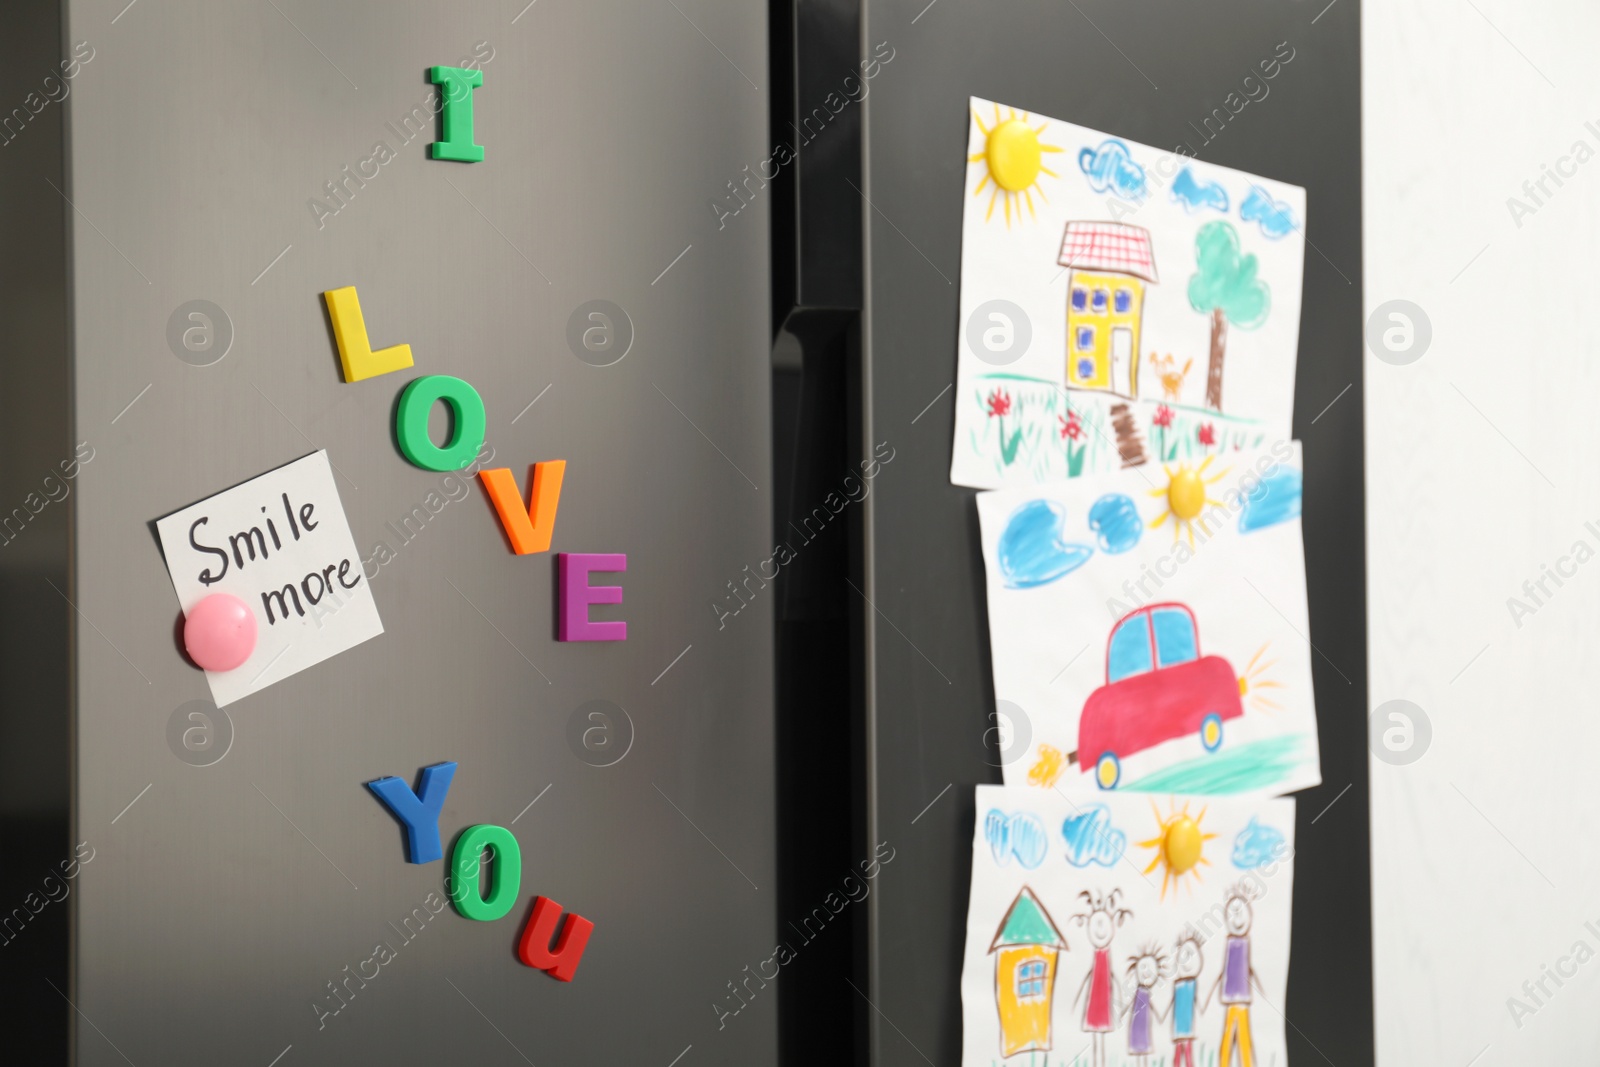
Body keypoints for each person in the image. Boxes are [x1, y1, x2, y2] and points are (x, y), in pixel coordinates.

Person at [1206, 884, 1265, 1067]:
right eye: (1233, 913)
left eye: (1240, 912)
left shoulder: (1244, 943)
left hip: (1242, 999)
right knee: (1228, 1033)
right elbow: (1224, 971)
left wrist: (1262, 991)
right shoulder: (1230, 943)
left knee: (1243, 1035)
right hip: (1231, 999)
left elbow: (1250, 969)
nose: (1237, 919)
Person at [1071, 889, 1131, 1067]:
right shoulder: (1097, 957)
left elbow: (1113, 981)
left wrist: (1120, 996)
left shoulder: (1106, 957)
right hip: (1095, 1002)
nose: (1099, 930)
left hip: (1104, 1001)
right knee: (1096, 1036)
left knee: (1101, 1036)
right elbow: (1088, 981)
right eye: (1096, 924)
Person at [1123, 942, 1168, 1062]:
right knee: (1138, 1051)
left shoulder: (1147, 994)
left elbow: (1150, 1006)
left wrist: (1159, 1017)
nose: (1146, 972)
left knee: (1144, 1050)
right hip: (1136, 1023)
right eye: (1143, 967)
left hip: (1145, 1025)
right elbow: (1131, 1004)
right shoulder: (1138, 992)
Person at [1168, 932, 1203, 1067]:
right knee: (1177, 1057)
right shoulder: (1178, 986)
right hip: (1178, 1029)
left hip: (1187, 1028)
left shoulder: (1192, 985)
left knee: (1188, 1056)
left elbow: (1197, 1003)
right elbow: (1172, 1003)